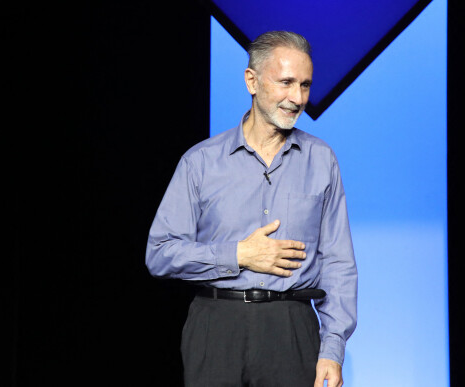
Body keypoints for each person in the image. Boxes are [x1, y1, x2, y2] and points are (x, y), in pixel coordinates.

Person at [146, 30, 357, 387]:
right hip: (216, 327)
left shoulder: (321, 160)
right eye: (286, 82)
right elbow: (160, 253)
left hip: (291, 328)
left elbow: (338, 263)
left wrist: (332, 349)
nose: (297, 98)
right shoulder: (201, 162)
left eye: (305, 85)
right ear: (252, 81)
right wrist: (239, 254)